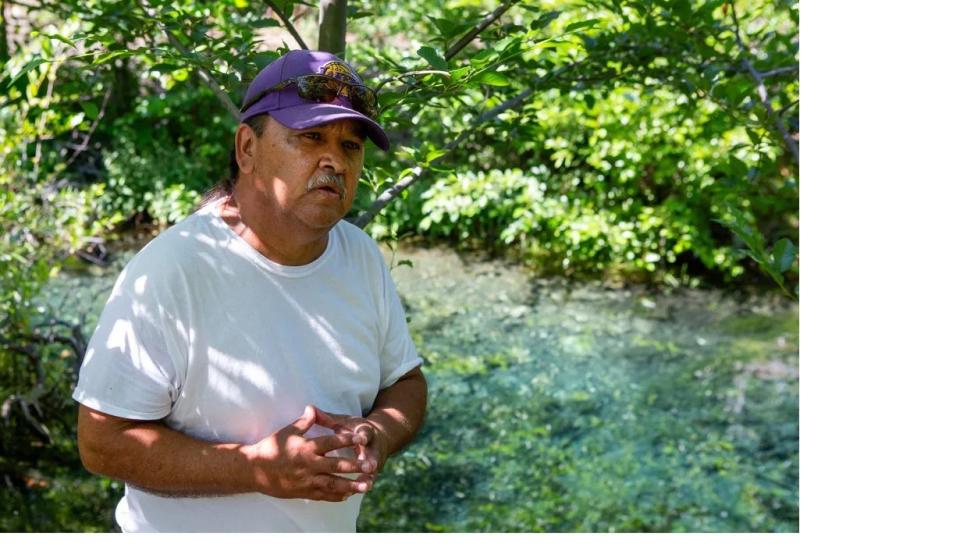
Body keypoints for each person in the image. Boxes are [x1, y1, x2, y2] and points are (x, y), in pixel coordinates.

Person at [72, 50, 428, 532]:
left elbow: (405, 382)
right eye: (311, 137)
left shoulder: (359, 255)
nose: (336, 161)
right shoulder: (172, 270)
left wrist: (379, 434)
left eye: (351, 146)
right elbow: (101, 443)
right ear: (247, 148)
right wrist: (255, 468)